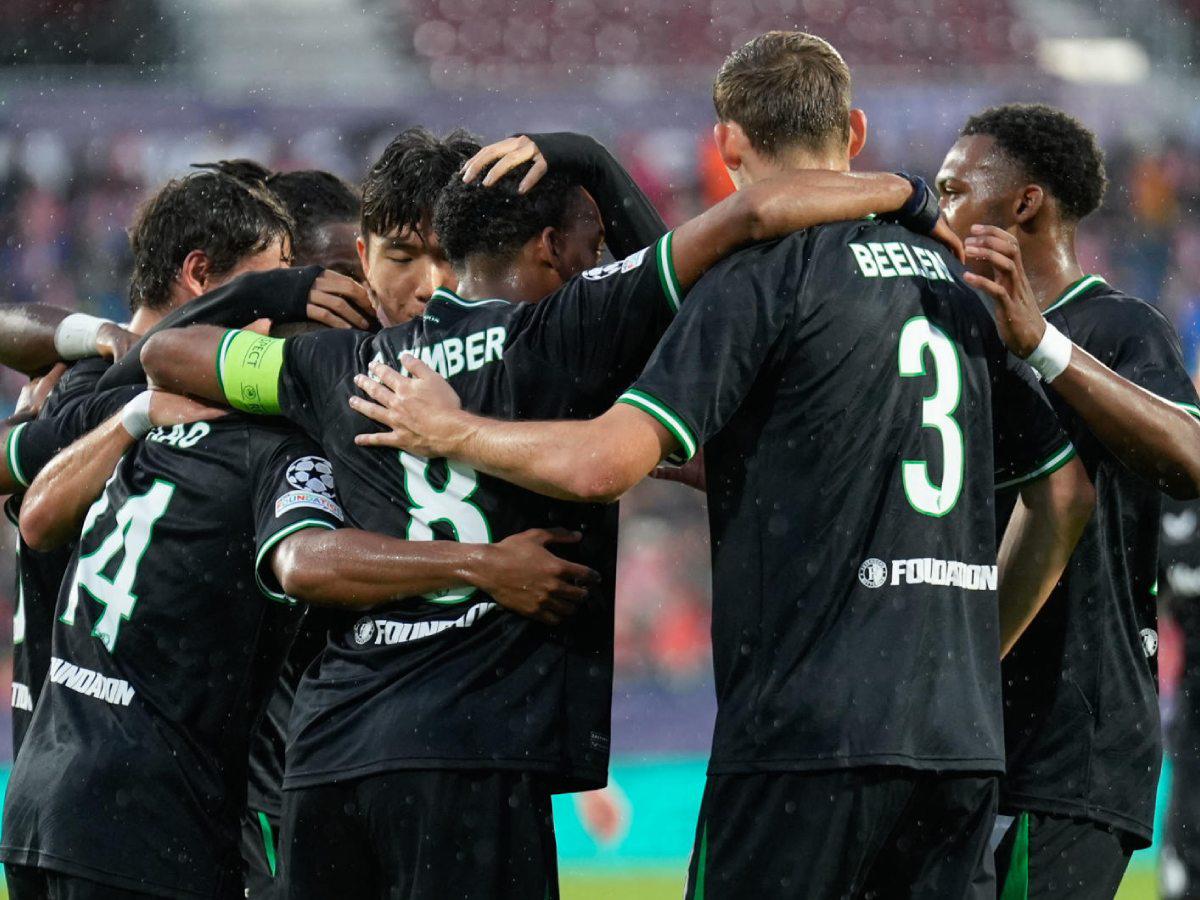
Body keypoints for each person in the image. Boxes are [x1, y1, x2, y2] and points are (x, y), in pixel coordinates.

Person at [340, 32, 1097, 898]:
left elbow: (604, 466)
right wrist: (973, 646)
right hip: (958, 742)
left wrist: (457, 431)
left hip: (805, 738)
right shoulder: (954, 287)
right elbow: (1064, 494)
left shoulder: (759, 280)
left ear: (728, 144)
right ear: (851, 131)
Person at [141, 142, 953, 896]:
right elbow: (748, 215)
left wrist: (279, 291)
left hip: (329, 757)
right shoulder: (563, 335)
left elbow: (164, 355)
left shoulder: (334, 366)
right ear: (550, 247)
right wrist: (910, 195)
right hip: (475, 748)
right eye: (588, 242)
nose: (595, 256)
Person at [937, 103, 1200, 897]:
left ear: (1024, 204)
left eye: (953, 190)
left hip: (1068, 743)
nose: (936, 211)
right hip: (958, 737)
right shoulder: (951, 344)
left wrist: (1043, 347)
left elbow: (1190, 456)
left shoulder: (1118, 326)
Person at [0, 168, 306, 754]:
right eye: (270, 287)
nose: (276, 318)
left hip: (61, 751)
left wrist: (96, 332)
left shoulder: (76, 374)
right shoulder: (124, 399)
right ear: (199, 275)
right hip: (106, 748)